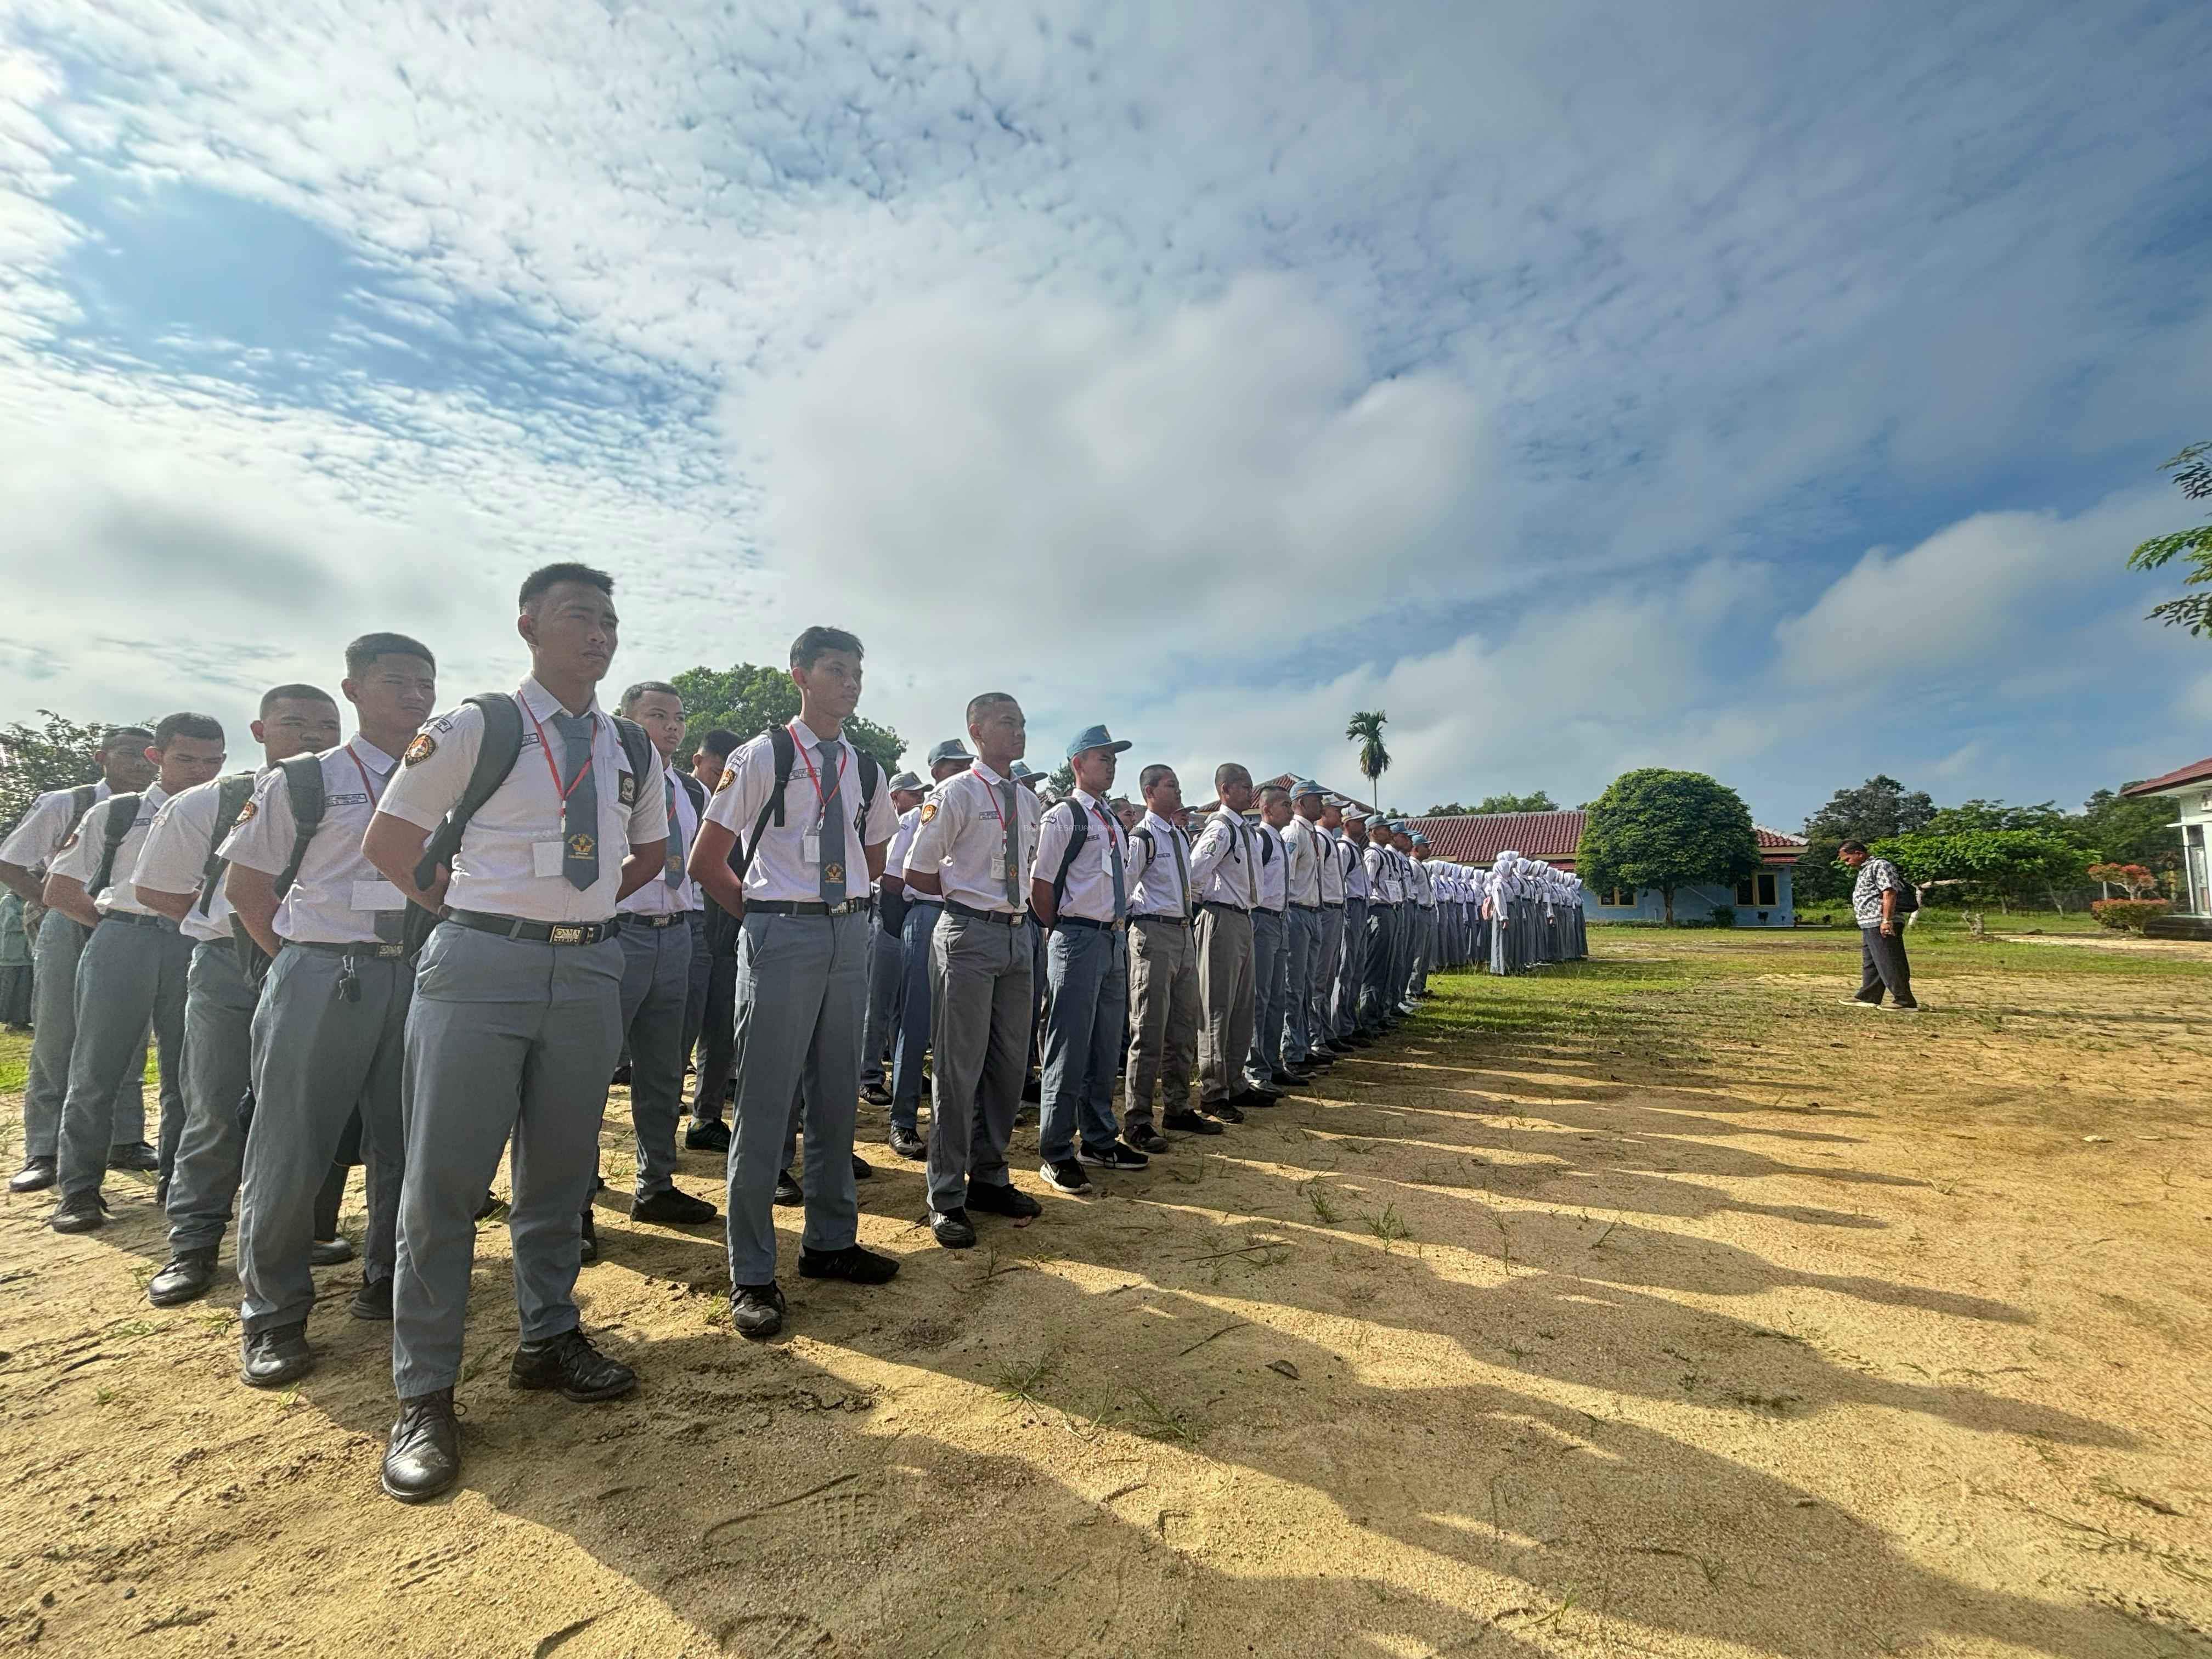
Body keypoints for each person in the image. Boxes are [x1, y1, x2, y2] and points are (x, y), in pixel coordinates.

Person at [364, 563, 668, 1504]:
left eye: (611, 620)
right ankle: (425, 1391)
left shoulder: (629, 744)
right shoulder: (477, 723)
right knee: (445, 1183)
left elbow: (650, 850)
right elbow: (389, 841)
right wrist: (485, 910)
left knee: (559, 1173)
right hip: (478, 967)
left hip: (587, 968)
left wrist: (572, 914)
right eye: (581, 615)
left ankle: (548, 1334)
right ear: (530, 623)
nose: (600, 633)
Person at [211, 635, 437, 1359]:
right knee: (293, 1147)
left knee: (407, 1143)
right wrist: (305, 963)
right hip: (322, 972)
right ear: (353, 691)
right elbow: (246, 891)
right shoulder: (305, 781)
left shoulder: (449, 779)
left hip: (421, 974)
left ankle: (387, 1278)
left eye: (425, 684)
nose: (414, 697)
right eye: (396, 682)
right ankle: (273, 1313)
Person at [687, 627, 900, 1339]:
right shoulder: (762, 756)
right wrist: (767, 918)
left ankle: (830, 1242)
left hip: (847, 932)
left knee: (838, 1094)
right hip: (781, 932)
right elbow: (708, 860)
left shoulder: (866, 769)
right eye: (836, 670)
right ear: (800, 676)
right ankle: (752, 1272)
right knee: (768, 1104)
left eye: (857, 672)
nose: (850, 683)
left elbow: (872, 851)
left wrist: (839, 911)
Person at [136, 684, 343, 1305]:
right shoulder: (211, 802)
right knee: (217, 1105)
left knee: (312, 1108)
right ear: (259, 731)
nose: (312, 735)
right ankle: (194, 1244)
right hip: (231, 967)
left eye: (326, 724)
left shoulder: (352, 793)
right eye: (295, 723)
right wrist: (230, 928)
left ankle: (302, 1231)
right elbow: (157, 890)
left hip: (324, 968)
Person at [43, 713, 229, 1231]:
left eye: (212, 761)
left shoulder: (225, 811)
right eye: (186, 759)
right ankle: (79, 1188)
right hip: (124, 936)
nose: (200, 771)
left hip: (191, 942)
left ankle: (177, 1182)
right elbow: (60, 889)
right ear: (157, 757)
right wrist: (113, 927)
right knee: (96, 1069)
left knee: (187, 1074)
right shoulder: (118, 813)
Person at [902, 693, 1044, 1248]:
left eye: (1023, 722)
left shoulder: (1028, 802)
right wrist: (967, 897)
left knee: (1009, 1067)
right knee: (958, 1071)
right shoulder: (956, 792)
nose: (1019, 731)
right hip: (967, 936)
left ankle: (989, 1175)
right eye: (1008, 722)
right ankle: (946, 1194)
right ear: (977, 729)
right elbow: (917, 870)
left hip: (1017, 937)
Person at [586, 680, 720, 1257]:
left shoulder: (687, 789)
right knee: (586, 1077)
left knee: (665, 1074)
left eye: (678, 716)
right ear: (627, 722)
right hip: (619, 936)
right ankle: (574, 1201)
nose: (670, 725)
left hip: (677, 938)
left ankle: (656, 1185)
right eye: (656, 715)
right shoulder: (603, 775)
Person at [2, 726, 158, 1193]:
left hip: (132, 923)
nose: (139, 764)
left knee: (130, 1033)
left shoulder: (163, 806)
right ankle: (45, 1149)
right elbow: (10, 862)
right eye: (127, 754)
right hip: (72, 916)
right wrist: (54, 904)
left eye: (145, 755)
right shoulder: (66, 803)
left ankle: (125, 1138)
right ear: (102, 757)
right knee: (58, 1032)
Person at [1031, 724, 1145, 1196]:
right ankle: (1055, 1150)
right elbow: (1041, 886)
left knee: (1102, 1047)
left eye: (1114, 758)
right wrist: (1063, 930)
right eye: (1103, 757)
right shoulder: (1065, 816)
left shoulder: (1111, 821)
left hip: (1113, 939)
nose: (1112, 764)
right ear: (1078, 764)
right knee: (1068, 1046)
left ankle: (1098, 1139)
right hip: (1078, 937)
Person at [884, 738, 973, 1160]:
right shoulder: (918, 816)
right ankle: (903, 1121)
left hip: (966, 921)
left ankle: (953, 1124)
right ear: (936, 771)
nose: (962, 771)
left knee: (959, 1030)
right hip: (926, 915)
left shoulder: (977, 811)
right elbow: (892, 875)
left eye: (966, 765)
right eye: (954, 766)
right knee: (916, 1023)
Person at [1122, 764, 1210, 1149]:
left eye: (1177, 784)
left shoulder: (1177, 835)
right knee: (1149, 1029)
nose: (1177, 791)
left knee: (1182, 1026)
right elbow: (1123, 888)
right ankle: (1138, 1119)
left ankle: (1177, 1107)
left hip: (1182, 931)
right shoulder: (1142, 836)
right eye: (1170, 785)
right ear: (1150, 793)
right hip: (1153, 933)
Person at [1189, 763, 1269, 1121]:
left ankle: (1234, 1080)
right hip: (1221, 918)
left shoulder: (1244, 830)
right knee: (1217, 1007)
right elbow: (1194, 873)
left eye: (1250, 786)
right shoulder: (1220, 830)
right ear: (1225, 790)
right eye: (1242, 786)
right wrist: (1206, 905)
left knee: (1241, 1007)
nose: (1249, 792)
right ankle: (1213, 1089)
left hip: (1243, 918)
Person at [683, 727, 744, 1152]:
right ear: (698, 761)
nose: (720, 778)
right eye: (715, 769)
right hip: (683, 929)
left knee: (720, 1029)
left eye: (728, 772)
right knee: (677, 1030)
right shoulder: (679, 798)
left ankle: (705, 1116)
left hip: (724, 931)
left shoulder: (738, 807)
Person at [861, 770, 927, 1107]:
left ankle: (900, 1069)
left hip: (902, 922)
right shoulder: (889, 828)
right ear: (894, 797)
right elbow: (889, 879)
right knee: (878, 1001)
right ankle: (868, 1074)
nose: (919, 799)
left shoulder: (917, 824)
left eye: (920, 794)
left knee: (902, 1005)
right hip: (884, 919)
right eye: (912, 794)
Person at [1244, 785, 1296, 1094]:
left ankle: (1273, 1062)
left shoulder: (1278, 840)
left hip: (1280, 919)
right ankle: (1255, 1068)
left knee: (1278, 995)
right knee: (1260, 997)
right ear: (1267, 810)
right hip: (1262, 919)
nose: (1290, 810)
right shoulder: (1260, 839)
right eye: (1285, 805)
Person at [1278, 781, 1329, 1074]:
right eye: (1315, 800)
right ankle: (1291, 1051)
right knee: (1294, 985)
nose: (1320, 805)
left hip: (1313, 912)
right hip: (1297, 912)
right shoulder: (1294, 833)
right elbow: (1285, 876)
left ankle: (1302, 1045)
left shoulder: (1312, 834)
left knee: (1308, 983)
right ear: (1300, 802)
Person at [1838, 841, 1923, 1012]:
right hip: (1869, 922)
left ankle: (1904, 1000)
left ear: (1859, 853)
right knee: (1872, 962)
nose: (1847, 864)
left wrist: (1887, 920)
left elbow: (1889, 892)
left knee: (1889, 960)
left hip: (1881, 921)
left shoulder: (1881, 865)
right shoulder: (1865, 869)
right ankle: (1868, 996)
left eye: (1848, 859)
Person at [1308, 794, 1349, 1060]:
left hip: (1334, 909)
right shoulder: (1321, 839)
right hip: (1322, 910)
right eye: (1337, 811)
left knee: (1328, 976)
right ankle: (1315, 1037)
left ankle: (1324, 1031)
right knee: (1318, 978)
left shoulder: (1328, 841)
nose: (1340, 816)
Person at [1331, 805, 1374, 1048]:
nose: (1363, 825)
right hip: (1350, 907)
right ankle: (1340, 1024)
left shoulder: (1356, 849)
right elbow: (1341, 882)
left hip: (1361, 906)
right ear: (1347, 825)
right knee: (1346, 967)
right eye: (1358, 821)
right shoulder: (1344, 849)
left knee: (1357, 966)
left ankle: (1350, 1020)